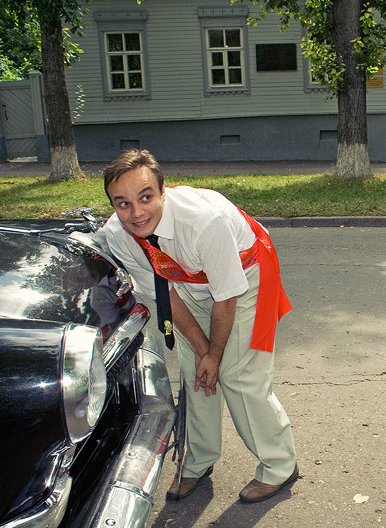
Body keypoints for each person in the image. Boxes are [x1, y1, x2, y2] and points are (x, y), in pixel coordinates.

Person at [102, 150, 298, 502]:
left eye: (145, 197)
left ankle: (279, 465)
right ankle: (197, 460)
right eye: (123, 203)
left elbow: (226, 295)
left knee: (237, 375)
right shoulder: (118, 233)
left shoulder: (204, 222)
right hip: (186, 282)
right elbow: (164, 293)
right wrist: (202, 350)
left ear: (163, 191)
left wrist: (216, 353)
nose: (137, 213)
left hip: (244, 274)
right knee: (196, 371)